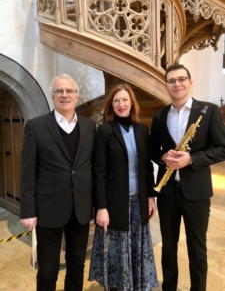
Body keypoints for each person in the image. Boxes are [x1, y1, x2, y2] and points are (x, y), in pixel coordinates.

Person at [149, 63, 225, 291]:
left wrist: (191, 159)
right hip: (167, 193)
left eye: (182, 79)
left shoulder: (208, 111)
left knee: (197, 249)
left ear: (190, 83)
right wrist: (163, 156)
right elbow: (152, 150)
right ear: (166, 86)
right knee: (168, 248)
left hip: (197, 192)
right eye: (171, 81)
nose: (177, 84)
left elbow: (222, 148)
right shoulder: (159, 115)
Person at [20, 74, 96, 291]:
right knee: (48, 268)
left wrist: (99, 205)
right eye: (59, 91)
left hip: (80, 207)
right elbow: (27, 171)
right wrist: (27, 210)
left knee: (77, 264)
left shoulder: (89, 126)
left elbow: (93, 168)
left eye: (69, 91)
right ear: (52, 97)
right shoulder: (36, 126)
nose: (65, 95)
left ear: (77, 97)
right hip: (48, 208)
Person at [88, 83, 158, 291]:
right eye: (116, 100)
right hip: (114, 203)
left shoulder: (141, 129)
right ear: (111, 104)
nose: (121, 104)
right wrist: (101, 207)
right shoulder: (105, 130)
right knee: (117, 248)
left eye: (125, 100)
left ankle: (135, 284)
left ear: (131, 103)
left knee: (136, 245)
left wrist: (151, 198)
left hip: (138, 200)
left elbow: (147, 167)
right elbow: (98, 171)